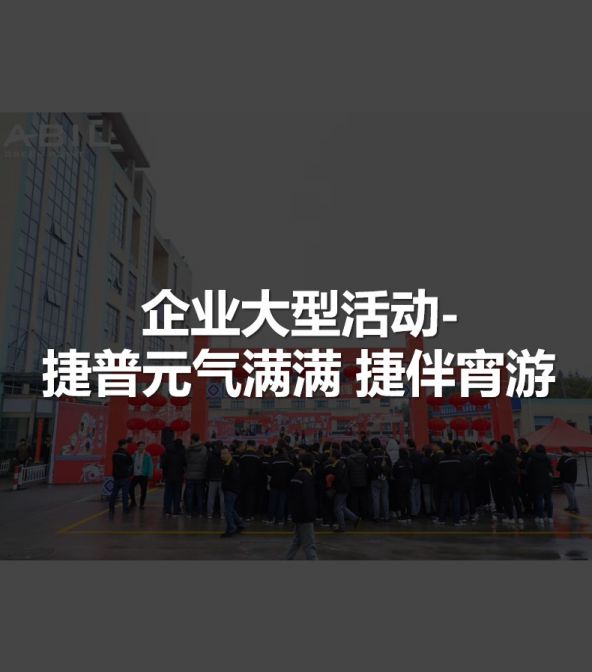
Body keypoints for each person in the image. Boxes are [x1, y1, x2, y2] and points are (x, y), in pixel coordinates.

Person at [286, 453, 318, 560]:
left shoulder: (296, 476)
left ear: (301, 463)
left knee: (297, 541)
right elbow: (308, 499)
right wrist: (312, 516)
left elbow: (291, 496)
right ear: (313, 464)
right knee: (310, 544)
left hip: (297, 514)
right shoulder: (307, 478)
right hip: (306, 516)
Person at [331, 445, 361, 532]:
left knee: (337, 508)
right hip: (345, 488)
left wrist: (331, 481)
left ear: (334, 457)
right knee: (342, 506)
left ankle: (342, 527)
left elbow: (338, 477)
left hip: (340, 489)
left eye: (331, 456)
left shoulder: (338, 465)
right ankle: (355, 518)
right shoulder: (342, 463)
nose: (330, 458)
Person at [434, 444, 463, 526]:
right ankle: (456, 521)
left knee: (444, 502)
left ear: (444, 451)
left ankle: (441, 519)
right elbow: (461, 472)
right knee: (456, 502)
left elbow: (439, 474)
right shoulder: (457, 460)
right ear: (452, 450)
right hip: (456, 484)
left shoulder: (441, 461)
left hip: (445, 485)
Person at [220, 446, 245, 538]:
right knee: (231, 510)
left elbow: (233, 479)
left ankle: (231, 529)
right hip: (231, 490)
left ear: (229, 454)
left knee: (228, 511)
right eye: (221, 454)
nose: (222, 455)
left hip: (231, 491)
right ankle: (240, 525)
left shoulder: (232, 464)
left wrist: (226, 487)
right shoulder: (228, 463)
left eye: (225, 453)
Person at [266, 446, 295, 525]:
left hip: (274, 483)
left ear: (277, 451)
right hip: (285, 484)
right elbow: (292, 472)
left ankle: (271, 519)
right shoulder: (289, 461)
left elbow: (269, 472)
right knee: (282, 502)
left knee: (272, 502)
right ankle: (280, 520)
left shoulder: (273, 460)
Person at [527, 444, 554, 526]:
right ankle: (550, 517)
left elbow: (528, 471)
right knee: (548, 500)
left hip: (536, 482)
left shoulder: (531, 458)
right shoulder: (547, 458)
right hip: (547, 481)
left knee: (539, 500)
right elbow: (551, 470)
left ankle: (540, 517)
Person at [184, 433, 209, 518]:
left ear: (192, 439)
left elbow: (186, 460)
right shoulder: (204, 449)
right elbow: (206, 461)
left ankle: (189, 513)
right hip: (201, 475)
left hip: (190, 475)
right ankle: (200, 513)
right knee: (200, 495)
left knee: (190, 495)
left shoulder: (189, 449)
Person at [161, 438, 186, 517]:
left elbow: (163, 464)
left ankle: (167, 510)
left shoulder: (167, 451)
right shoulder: (182, 452)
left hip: (168, 476)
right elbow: (185, 463)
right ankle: (176, 510)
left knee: (168, 494)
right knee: (177, 494)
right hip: (179, 476)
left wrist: (165, 474)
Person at [367, 438, 391, 521]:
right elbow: (390, 465)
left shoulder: (371, 454)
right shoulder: (385, 453)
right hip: (384, 478)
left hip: (375, 478)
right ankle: (386, 516)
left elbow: (370, 467)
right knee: (385, 498)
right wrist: (385, 474)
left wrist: (376, 474)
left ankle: (376, 517)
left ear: (372, 444)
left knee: (375, 498)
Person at [109, 438, 133, 516]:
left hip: (116, 476)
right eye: (126, 444)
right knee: (125, 494)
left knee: (114, 493)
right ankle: (125, 509)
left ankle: (111, 508)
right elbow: (130, 463)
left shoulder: (114, 453)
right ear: (124, 444)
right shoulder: (126, 453)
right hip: (125, 476)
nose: (127, 445)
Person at [239, 440, 262, 520]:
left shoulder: (242, 456)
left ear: (247, 445)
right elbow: (260, 470)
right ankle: (249, 515)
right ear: (254, 446)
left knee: (242, 496)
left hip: (243, 479)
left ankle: (241, 514)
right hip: (254, 480)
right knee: (251, 497)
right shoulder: (257, 456)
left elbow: (239, 468)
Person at [129, 441, 153, 509]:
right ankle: (133, 502)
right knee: (130, 488)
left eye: (143, 446)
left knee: (143, 490)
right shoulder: (134, 454)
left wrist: (150, 474)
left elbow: (150, 465)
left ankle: (142, 504)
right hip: (135, 475)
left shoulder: (147, 455)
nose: (142, 447)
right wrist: (130, 472)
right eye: (140, 446)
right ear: (137, 447)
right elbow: (130, 464)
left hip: (143, 475)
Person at [347, 444, 368, 519]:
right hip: (363, 481)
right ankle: (364, 515)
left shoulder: (349, 458)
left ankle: (355, 516)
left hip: (353, 481)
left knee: (354, 500)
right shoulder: (365, 457)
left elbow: (348, 470)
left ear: (353, 449)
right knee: (363, 499)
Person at [392, 448, 413, 523]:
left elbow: (394, 473)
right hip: (408, 482)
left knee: (401, 499)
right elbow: (411, 473)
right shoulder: (409, 462)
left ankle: (403, 515)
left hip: (400, 483)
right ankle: (409, 515)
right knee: (408, 498)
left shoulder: (398, 463)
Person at [557, 446, 579, 513]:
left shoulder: (563, 458)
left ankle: (573, 507)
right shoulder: (573, 458)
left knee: (570, 494)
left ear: (563, 451)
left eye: (560, 450)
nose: (559, 451)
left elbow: (558, 468)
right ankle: (572, 506)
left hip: (566, 479)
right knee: (572, 493)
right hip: (573, 478)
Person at [206, 442, 225, 518]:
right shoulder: (223, 457)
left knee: (211, 497)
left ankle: (209, 514)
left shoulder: (211, 457)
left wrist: (207, 479)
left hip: (212, 479)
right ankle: (222, 514)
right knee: (222, 497)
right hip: (222, 479)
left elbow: (208, 469)